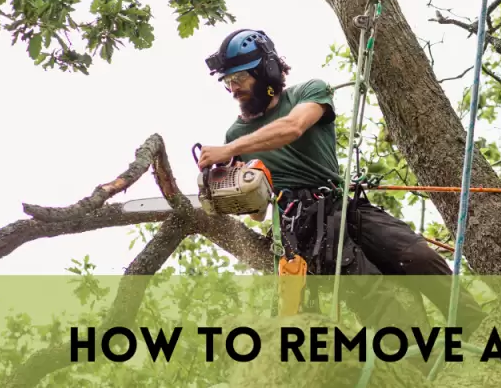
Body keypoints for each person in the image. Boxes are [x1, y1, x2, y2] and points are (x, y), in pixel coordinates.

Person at [195, 28, 485, 343]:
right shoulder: (235, 134)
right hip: (304, 230)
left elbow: (293, 127)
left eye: (239, 79)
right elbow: (257, 215)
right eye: (228, 82)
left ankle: (480, 329)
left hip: (343, 206)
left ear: (266, 71)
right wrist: (239, 186)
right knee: (383, 300)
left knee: (419, 257)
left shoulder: (308, 93)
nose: (233, 89)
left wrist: (230, 149)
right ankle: (423, 370)